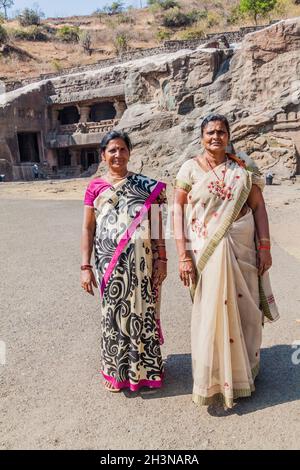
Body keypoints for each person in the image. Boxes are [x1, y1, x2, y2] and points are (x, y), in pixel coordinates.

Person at [173, 114, 279, 409]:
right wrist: (182, 255)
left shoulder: (242, 168)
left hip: (242, 247)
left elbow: (258, 208)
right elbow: (177, 212)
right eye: (210, 132)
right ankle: (213, 376)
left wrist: (265, 246)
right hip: (205, 251)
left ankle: (243, 373)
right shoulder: (189, 168)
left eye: (221, 131)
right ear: (201, 136)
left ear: (229, 135)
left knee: (245, 310)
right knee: (210, 312)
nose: (215, 136)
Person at [81, 130, 167, 393]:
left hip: (143, 265)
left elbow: (156, 227)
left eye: (122, 149)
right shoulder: (95, 187)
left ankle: (147, 372)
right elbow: (87, 229)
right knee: (113, 316)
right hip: (109, 265)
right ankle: (116, 372)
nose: (118, 154)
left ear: (130, 152)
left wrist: (162, 258)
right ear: (104, 155)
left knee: (143, 314)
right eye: (112, 150)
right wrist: (85, 267)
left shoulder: (147, 187)